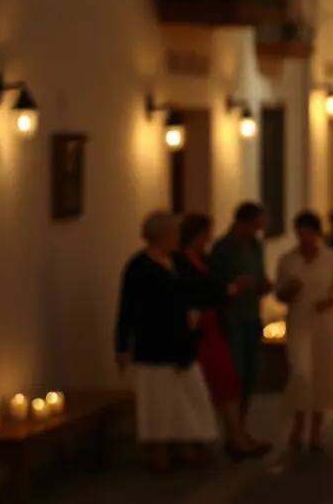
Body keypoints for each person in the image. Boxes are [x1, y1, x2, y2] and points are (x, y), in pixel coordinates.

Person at [115, 211, 220, 472]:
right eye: (173, 233)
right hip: (154, 340)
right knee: (157, 399)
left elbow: (194, 288)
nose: (177, 238)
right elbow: (127, 308)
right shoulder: (139, 267)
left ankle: (185, 441)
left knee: (188, 393)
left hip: (181, 340)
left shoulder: (175, 261)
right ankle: (157, 449)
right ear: (161, 234)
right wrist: (121, 345)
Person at [174, 214, 271, 461]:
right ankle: (223, 438)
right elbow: (195, 291)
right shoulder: (182, 262)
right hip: (199, 328)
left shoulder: (204, 258)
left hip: (213, 324)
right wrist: (229, 290)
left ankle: (235, 435)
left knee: (227, 382)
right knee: (215, 382)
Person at [274, 211, 333, 453]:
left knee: (322, 373)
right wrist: (289, 290)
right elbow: (279, 294)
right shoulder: (287, 260)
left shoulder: (330, 258)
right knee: (301, 371)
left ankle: (316, 428)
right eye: (299, 233)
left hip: (324, 324)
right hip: (299, 321)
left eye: (308, 233)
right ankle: (298, 423)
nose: (303, 238)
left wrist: (329, 301)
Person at [208, 202, 272, 421]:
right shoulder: (222, 249)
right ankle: (232, 426)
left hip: (252, 315)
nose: (258, 230)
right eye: (255, 225)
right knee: (235, 373)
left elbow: (260, 276)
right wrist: (233, 287)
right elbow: (214, 287)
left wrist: (264, 285)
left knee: (252, 374)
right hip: (232, 318)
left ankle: (242, 423)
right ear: (242, 223)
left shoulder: (256, 246)